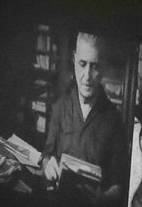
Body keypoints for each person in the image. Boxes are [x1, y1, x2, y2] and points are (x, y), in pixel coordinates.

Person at [40, 30, 123, 190]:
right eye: (82, 64)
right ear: (74, 60)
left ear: (104, 68)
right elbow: (46, 155)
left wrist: (102, 199)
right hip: (58, 199)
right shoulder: (60, 107)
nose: (87, 76)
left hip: (94, 205)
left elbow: (119, 185)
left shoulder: (115, 120)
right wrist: (47, 165)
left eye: (95, 66)